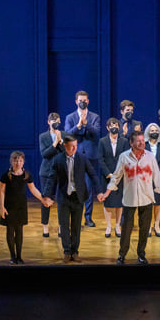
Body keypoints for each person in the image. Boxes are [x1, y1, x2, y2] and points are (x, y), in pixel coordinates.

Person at [97, 129, 160, 265]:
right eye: (138, 141)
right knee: (126, 228)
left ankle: (141, 254)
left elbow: (157, 176)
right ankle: (122, 254)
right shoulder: (124, 157)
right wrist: (107, 193)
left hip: (146, 198)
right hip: (129, 199)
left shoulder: (150, 156)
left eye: (142, 140)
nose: (141, 143)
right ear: (131, 143)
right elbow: (116, 177)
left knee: (144, 228)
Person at [41, 135, 94, 262]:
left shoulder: (82, 158)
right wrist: (46, 196)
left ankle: (75, 251)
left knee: (76, 226)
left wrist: (101, 191)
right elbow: (51, 179)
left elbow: (93, 174)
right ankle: (66, 251)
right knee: (64, 226)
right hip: (64, 197)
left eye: (76, 146)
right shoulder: (58, 159)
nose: (74, 148)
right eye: (71, 146)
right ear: (65, 146)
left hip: (78, 197)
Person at [0, 151, 45, 264]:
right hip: (9, 206)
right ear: (11, 161)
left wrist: (42, 199)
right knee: (10, 231)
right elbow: (2, 191)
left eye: (20, 161)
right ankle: (12, 257)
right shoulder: (6, 175)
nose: (18, 163)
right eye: (16, 161)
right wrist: (2, 207)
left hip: (21, 207)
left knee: (19, 231)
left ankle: (19, 256)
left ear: (23, 162)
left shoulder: (26, 175)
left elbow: (33, 189)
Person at [63, 90, 102, 228]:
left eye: (85, 100)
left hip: (91, 156)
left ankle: (88, 217)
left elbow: (96, 133)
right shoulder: (70, 117)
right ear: (76, 101)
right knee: (74, 186)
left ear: (88, 101)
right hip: (75, 155)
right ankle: (76, 216)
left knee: (89, 187)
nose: (82, 102)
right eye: (80, 100)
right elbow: (67, 134)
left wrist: (86, 124)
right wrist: (78, 125)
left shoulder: (95, 117)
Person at [98, 117, 130, 238]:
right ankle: (108, 226)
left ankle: (117, 225)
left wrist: (118, 174)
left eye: (116, 125)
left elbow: (127, 157)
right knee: (107, 202)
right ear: (108, 128)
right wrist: (108, 174)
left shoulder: (124, 141)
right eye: (112, 125)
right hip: (106, 176)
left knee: (119, 203)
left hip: (120, 176)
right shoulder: (102, 141)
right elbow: (100, 159)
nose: (114, 127)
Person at [38, 112, 64, 238]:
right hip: (46, 172)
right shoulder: (43, 136)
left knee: (61, 199)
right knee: (46, 199)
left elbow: (67, 152)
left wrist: (61, 141)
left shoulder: (64, 135)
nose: (55, 123)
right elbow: (45, 154)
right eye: (53, 121)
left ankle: (61, 226)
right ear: (48, 122)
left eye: (57, 121)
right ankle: (45, 226)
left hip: (61, 171)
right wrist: (55, 142)